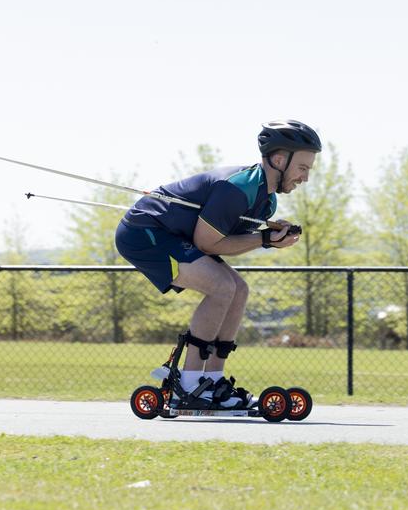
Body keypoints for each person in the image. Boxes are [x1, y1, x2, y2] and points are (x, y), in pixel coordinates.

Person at [115, 120, 322, 409]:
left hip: (176, 235)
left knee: (238, 289)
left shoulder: (267, 201)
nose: (305, 178)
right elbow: (208, 243)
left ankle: (212, 382)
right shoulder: (238, 188)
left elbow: (228, 239)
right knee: (222, 287)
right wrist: (263, 239)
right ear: (279, 159)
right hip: (145, 232)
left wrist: (268, 236)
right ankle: (188, 388)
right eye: (303, 168)